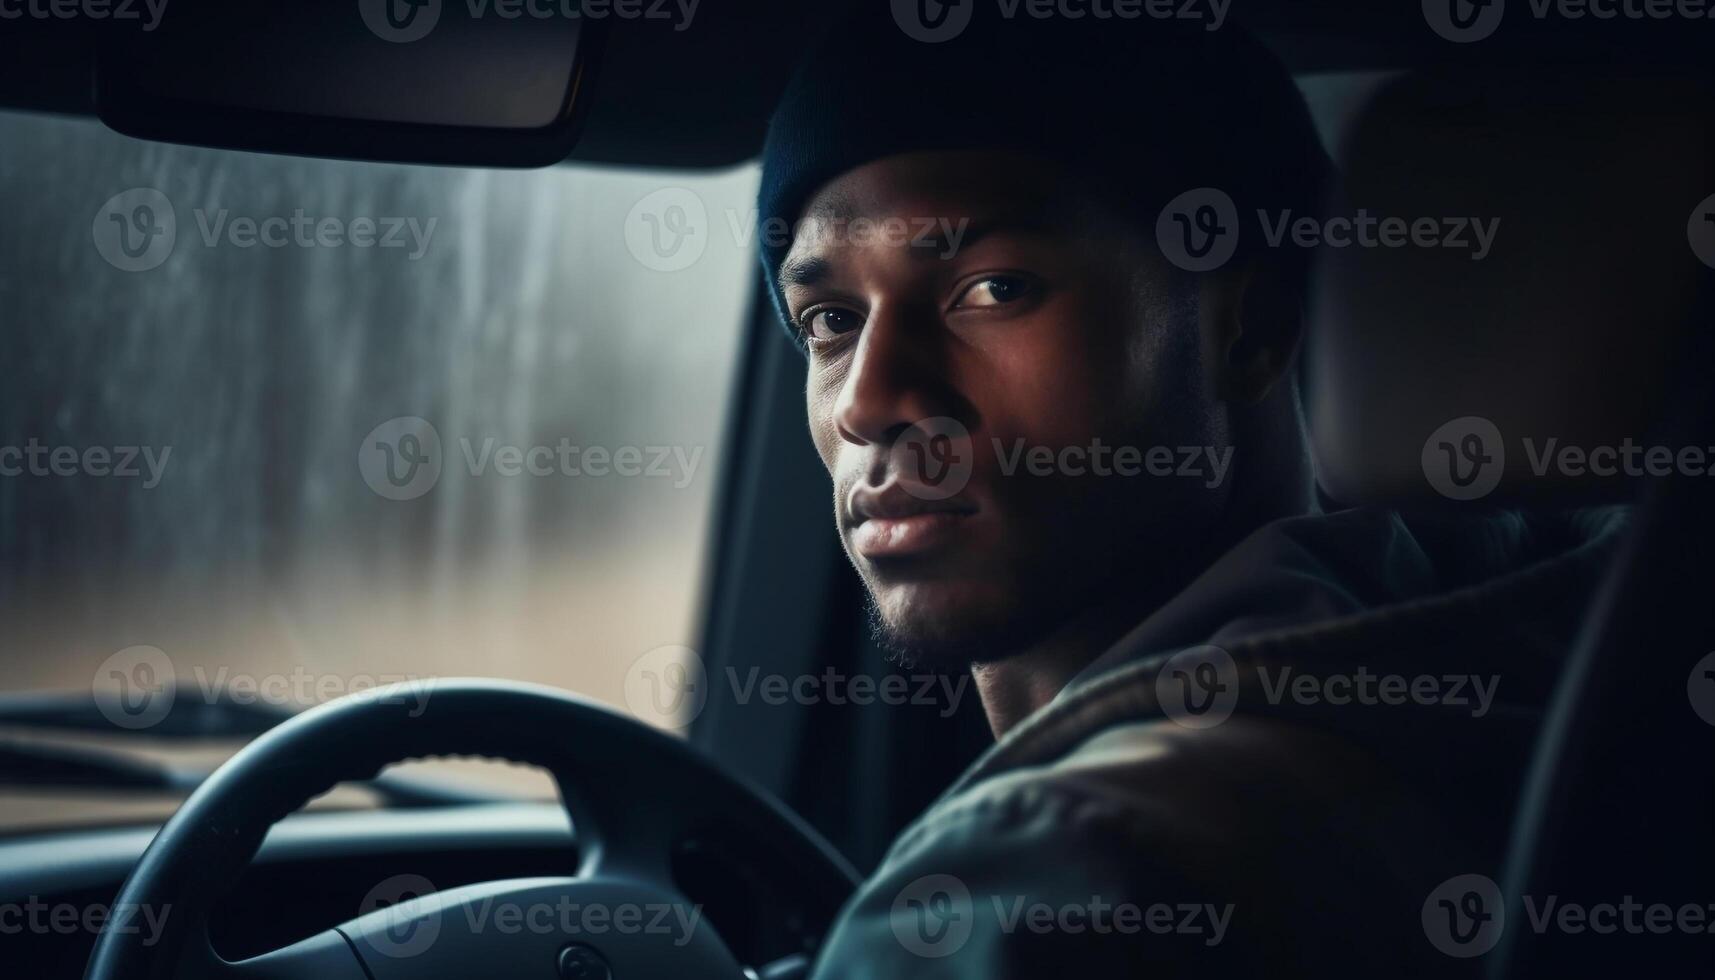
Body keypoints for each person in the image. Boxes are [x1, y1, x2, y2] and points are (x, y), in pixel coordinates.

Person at [758, 3, 1627, 974]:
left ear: (1247, 331)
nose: (869, 400)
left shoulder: (1053, 881)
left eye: (993, 287)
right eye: (829, 317)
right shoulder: (1567, 662)